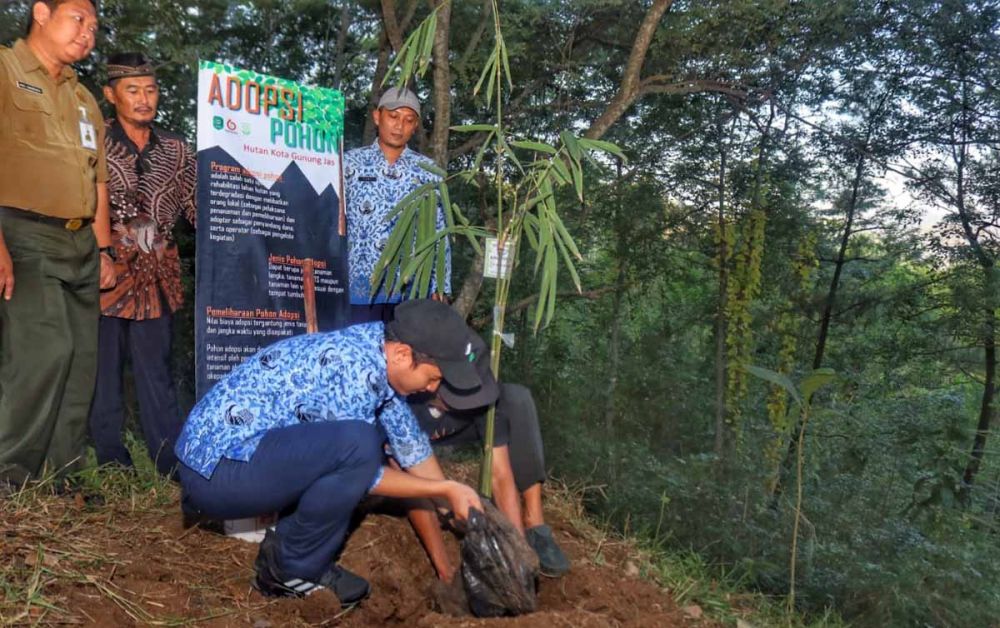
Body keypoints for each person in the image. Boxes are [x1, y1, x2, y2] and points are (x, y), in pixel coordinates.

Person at [174, 299, 485, 607]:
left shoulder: (379, 355)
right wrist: (444, 488)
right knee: (360, 444)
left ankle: (290, 556)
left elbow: (413, 450)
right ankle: (290, 570)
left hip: (223, 463)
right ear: (403, 354)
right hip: (218, 473)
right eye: (432, 378)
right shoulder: (355, 368)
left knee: (358, 442)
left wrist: (455, 507)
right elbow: (366, 474)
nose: (432, 389)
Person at [0, 0, 116, 489]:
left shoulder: (85, 97)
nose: (88, 32)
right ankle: (10, 472)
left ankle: (60, 475)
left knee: (79, 360)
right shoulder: (5, 71)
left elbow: (100, 182)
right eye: (78, 18)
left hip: (81, 243)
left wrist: (105, 250)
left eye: (93, 25)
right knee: (43, 350)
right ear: (41, 13)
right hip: (24, 233)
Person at [87, 52, 196, 477]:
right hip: (106, 267)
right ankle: (111, 455)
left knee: (156, 367)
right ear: (111, 94)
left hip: (157, 274)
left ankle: (167, 457)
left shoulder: (177, 149)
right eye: (133, 90)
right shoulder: (92, 139)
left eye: (150, 90)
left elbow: (197, 207)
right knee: (104, 366)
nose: (144, 99)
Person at [405, 334, 572, 578]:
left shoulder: (478, 398)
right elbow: (415, 486)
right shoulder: (401, 402)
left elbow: (500, 475)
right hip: (417, 439)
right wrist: (446, 569)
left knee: (516, 398)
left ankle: (534, 523)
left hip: (456, 429)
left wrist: (518, 550)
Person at [344, 87, 449, 325]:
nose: (399, 126)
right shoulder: (350, 164)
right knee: (363, 352)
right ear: (377, 116)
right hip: (358, 284)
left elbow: (440, 232)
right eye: (393, 116)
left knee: (404, 356)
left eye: (408, 120)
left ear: (415, 126)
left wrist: (440, 284)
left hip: (409, 286)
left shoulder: (428, 171)